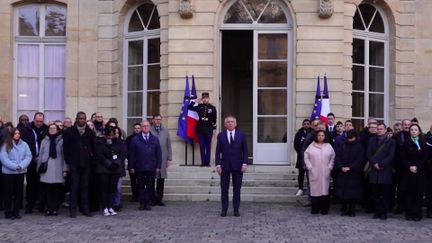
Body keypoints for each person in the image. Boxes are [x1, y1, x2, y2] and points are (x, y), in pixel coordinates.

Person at [62, 112, 96, 218]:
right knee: (74, 186)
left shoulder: (89, 132)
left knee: (84, 186)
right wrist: (69, 160)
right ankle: (73, 210)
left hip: (86, 163)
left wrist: (91, 159)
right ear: (76, 119)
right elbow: (65, 148)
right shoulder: (69, 132)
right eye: (80, 118)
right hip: (74, 163)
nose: (82, 120)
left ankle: (85, 208)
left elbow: (93, 147)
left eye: (84, 119)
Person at [215, 115, 248, 217]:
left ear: (235, 124)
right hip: (224, 166)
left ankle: (236, 210)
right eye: (228, 122)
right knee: (224, 189)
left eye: (232, 122)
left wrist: (244, 163)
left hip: (238, 166)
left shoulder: (241, 135)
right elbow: (217, 152)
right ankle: (224, 209)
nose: (230, 123)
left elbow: (245, 151)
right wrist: (218, 165)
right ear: (225, 124)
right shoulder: (221, 135)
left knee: (237, 189)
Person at [128, 120, 162, 211]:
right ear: (141, 127)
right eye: (143, 126)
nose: (145, 127)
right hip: (139, 166)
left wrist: (158, 166)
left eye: (147, 126)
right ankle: (142, 203)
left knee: (150, 186)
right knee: (141, 186)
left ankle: (147, 203)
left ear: (149, 127)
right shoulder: (135, 139)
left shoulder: (155, 139)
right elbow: (131, 154)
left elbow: (158, 153)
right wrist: (131, 166)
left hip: (151, 166)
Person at [0, 128, 32, 219]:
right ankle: (8, 212)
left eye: (18, 133)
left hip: (20, 172)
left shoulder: (24, 144)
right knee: (8, 193)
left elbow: (28, 156)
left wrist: (21, 166)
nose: (17, 135)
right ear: (11, 135)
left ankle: (16, 212)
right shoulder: (6, 144)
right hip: (9, 173)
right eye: (15, 133)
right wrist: (15, 166)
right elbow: (4, 158)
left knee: (18, 193)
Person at [37, 123, 67, 216]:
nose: (52, 130)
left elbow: (64, 156)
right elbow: (40, 155)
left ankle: (55, 209)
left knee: (56, 191)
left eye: (54, 128)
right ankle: (49, 209)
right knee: (48, 191)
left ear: (58, 130)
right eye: (51, 128)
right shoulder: (44, 141)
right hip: (47, 168)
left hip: (58, 168)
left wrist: (65, 169)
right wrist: (39, 169)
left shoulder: (62, 141)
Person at [95, 126, 126, 216]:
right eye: (109, 136)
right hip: (104, 169)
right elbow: (99, 154)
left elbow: (122, 154)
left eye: (112, 135)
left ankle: (111, 206)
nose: (111, 137)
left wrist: (117, 163)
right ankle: (105, 207)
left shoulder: (119, 142)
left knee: (113, 189)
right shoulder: (100, 142)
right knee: (104, 189)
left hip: (115, 169)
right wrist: (108, 163)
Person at [367, 122, 396, 220]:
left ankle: (384, 212)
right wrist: (375, 163)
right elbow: (369, 153)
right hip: (374, 170)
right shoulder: (372, 140)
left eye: (381, 129)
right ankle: (377, 211)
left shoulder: (391, 142)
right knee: (375, 193)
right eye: (378, 129)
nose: (379, 130)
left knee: (384, 193)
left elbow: (391, 156)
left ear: (385, 130)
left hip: (385, 170)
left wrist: (381, 164)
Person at [400, 124, 428, 221]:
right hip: (408, 171)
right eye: (412, 130)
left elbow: (425, 158)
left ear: (419, 132)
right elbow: (403, 157)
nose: (414, 131)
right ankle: (409, 213)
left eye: (416, 130)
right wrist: (409, 166)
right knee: (409, 194)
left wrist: (417, 166)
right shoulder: (405, 143)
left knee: (418, 194)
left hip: (419, 172)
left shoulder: (423, 143)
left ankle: (417, 213)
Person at [304, 130, 335, 215]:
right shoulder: (311, 146)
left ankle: (324, 209)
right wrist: (310, 167)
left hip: (325, 171)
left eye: (322, 135)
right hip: (314, 171)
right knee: (315, 190)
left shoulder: (328, 146)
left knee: (325, 190)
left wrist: (330, 167)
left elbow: (333, 157)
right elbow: (306, 157)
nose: (320, 137)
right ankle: (315, 209)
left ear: (325, 136)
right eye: (319, 135)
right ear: (316, 136)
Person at [334, 130, 364, 217]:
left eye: (351, 138)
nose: (350, 140)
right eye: (348, 138)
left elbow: (360, 160)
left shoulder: (359, 147)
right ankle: (345, 208)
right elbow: (337, 157)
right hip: (343, 172)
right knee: (343, 192)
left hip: (354, 173)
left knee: (353, 193)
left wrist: (350, 167)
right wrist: (340, 167)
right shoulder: (343, 145)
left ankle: (352, 210)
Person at [188, 92, 217, 166]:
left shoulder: (212, 108)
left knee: (208, 146)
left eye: (206, 98)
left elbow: (214, 119)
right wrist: (195, 101)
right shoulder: (199, 106)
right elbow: (189, 108)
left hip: (209, 129)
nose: (205, 99)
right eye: (203, 98)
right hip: (200, 129)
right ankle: (203, 162)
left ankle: (207, 162)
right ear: (202, 99)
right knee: (202, 146)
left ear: (208, 98)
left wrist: (214, 129)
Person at [150, 114, 172, 206]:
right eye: (156, 119)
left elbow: (169, 145)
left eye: (159, 119)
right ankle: (152, 198)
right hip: (152, 158)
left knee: (161, 179)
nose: (158, 121)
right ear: (153, 120)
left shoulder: (165, 131)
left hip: (163, 158)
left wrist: (169, 158)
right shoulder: (150, 130)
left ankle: (159, 199)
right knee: (151, 180)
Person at [391, 119, 411, 214]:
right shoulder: (397, 136)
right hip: (399, 167)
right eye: (405, 124)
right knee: (399, 188)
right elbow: (393, 152)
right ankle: (399, 206)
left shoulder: (415, 136)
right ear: (402, 125)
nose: (407, 126)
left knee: (408, 187)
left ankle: (408, 206)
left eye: (408, 124)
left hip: (411, 167)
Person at [293, 119, 311, 196]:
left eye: (308, 124)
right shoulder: (298, 133)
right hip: (301, 157)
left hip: (310, 157)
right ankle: (300, 188)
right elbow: (295, 145)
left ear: (310, 125)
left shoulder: (312, 133)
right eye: (305, 124)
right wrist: (300, 153)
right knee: (301, 174)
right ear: (302, 125)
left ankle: (309, 188)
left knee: (309, 174)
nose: (306, 125)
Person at [126, 122, 142, 202]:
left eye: (138, 128)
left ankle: (140, 196)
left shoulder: (143, 137)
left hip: (141, 163)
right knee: (133, 181)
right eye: (136, 128)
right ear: (133, 129)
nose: (137, 130)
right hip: (132, 162)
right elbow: (126, 150)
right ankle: (134, 196)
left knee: (140, 180)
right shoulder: (129, 138)